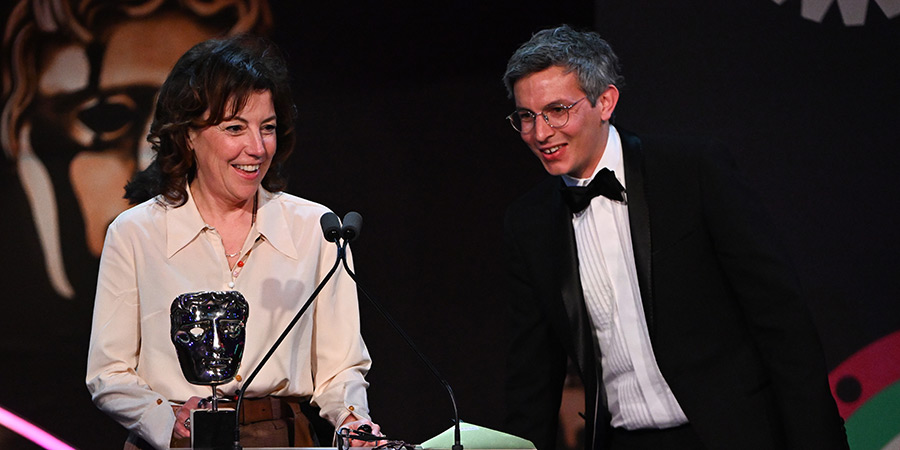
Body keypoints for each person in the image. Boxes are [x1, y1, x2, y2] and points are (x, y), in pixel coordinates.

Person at [500, 25, 848, 450]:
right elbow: (533, 376)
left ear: (605, 101)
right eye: (526, 116)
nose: (541, 133)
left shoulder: (692, 172)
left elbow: (782, 323)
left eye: (557, 110)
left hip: (732, 435)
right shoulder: (529, 224)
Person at [86, 35, 381, 449]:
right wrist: (163, 418)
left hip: (283, 438)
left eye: (268, 128)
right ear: (188, 134)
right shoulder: (135, 233)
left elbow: (340, 369)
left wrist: (353, 423)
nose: (256, 148)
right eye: (234, 128)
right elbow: (109, 372)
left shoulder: (317, 228)